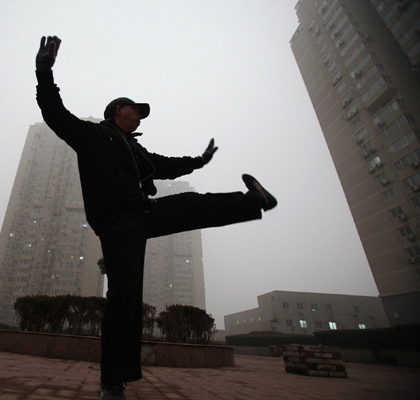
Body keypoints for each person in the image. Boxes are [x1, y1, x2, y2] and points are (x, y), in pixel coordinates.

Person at [35, 35, 276, 400]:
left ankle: (253, 202)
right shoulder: (92, 135)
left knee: (192, 204)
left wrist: (199, 161)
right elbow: (55, 114)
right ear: (119, 110)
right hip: (117, 225)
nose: (139, 116)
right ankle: (112, 383)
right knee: (124, 299)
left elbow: (163, 165)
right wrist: (44, 72)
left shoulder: (136, 150)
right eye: (136, 111)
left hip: (144, 214)